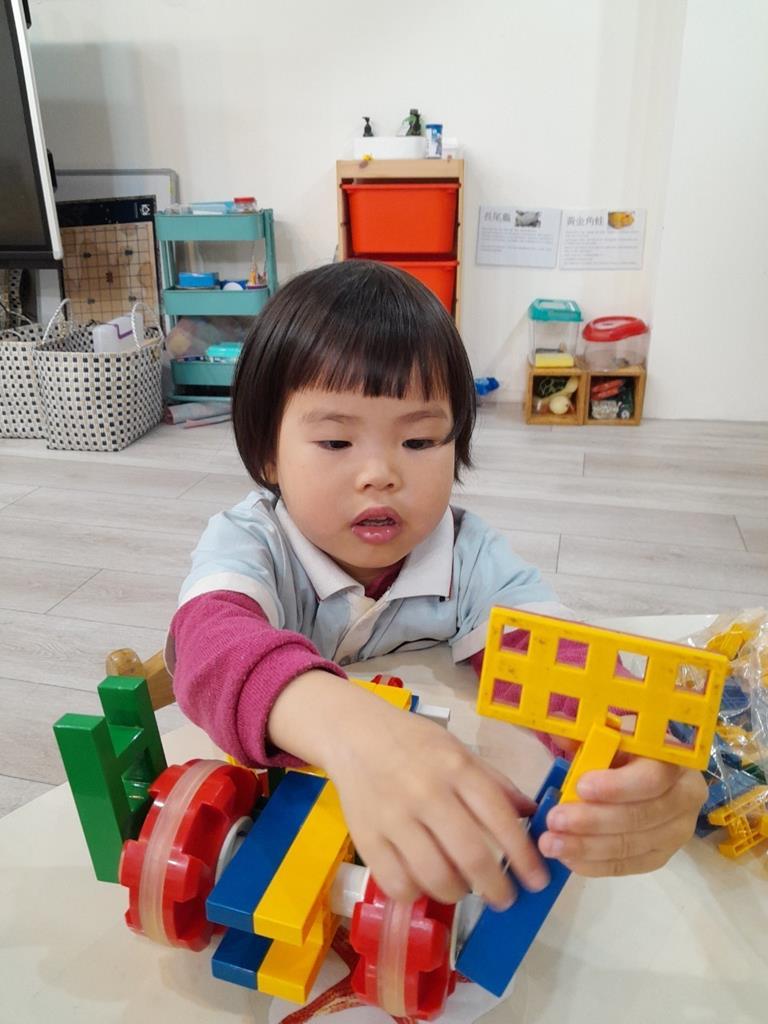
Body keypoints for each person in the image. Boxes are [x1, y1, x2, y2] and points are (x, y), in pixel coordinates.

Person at [168, 260, 706, 912]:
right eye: (336, 441)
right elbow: (208, 647)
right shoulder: (250, 541)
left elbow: (557, 658)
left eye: (420, 440)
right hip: (273, 818)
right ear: (267, 455)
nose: (380, 474)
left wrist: (634, 754)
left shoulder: (468, 553)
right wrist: (354, 730)